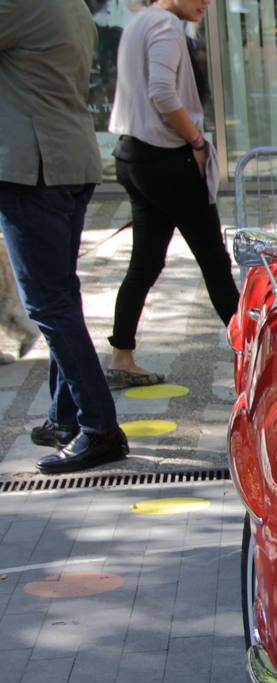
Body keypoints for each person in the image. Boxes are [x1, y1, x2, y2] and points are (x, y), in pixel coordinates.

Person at [0, 0, 129, 473]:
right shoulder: (71, 4)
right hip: (68, 160)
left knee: (49, 304)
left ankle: (100, 430)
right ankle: (65, 415)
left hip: (33, 167)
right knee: (61, 295)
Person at [106, 0, 236, 387]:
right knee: (214, 259)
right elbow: (162, 92)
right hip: (165, 158)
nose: (207, 3)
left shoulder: (139, 22)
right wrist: (195, 140)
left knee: (145, 262)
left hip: (133, 154)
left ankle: (122, 355)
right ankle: (253, 354)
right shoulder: (164, 24)